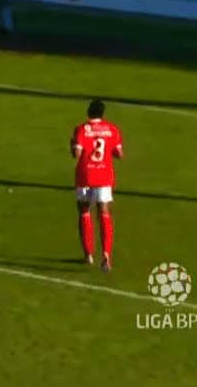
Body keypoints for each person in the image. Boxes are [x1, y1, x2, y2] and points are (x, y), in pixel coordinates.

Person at [71, 100, 123, 272]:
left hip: (85, 175)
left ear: (89, 111)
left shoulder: (81, 129)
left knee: (84, 211)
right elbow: (119, 154)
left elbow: (77, 154)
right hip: (104, 176)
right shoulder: (112, 129)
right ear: (102, 113)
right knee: (104, 212)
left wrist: (72, 145)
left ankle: (88, 254)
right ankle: (106, 254)